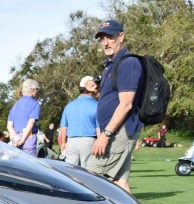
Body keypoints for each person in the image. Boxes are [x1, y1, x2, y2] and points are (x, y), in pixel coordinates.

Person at [89, 19, 144, 193]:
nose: (105, 43)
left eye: (110, 37)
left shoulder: (128, 63)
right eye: (102, 38)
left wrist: (105, 135)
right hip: (116, 130)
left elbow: (126, 104)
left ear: (121, 36)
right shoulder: (111, 65)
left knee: (88, 178)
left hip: (119, 131)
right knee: (121, 184)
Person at [59, 76, 99, 167]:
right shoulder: (97, 105)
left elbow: (63, 127)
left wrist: (63, 143)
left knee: (70, 173)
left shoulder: (69, 105)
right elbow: (98, 128)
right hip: (89, 141)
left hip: (71, 142)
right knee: (88, 173)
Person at [7, 79, 41, 156]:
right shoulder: (35, 104)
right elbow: (31, 123)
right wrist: (22, 139)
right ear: (32, 90)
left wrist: (15, 138)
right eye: (37, 89)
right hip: (28, 138)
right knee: (29, 165)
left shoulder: (15, 105)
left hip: (15, 138)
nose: (37, 91)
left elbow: (9, 125)